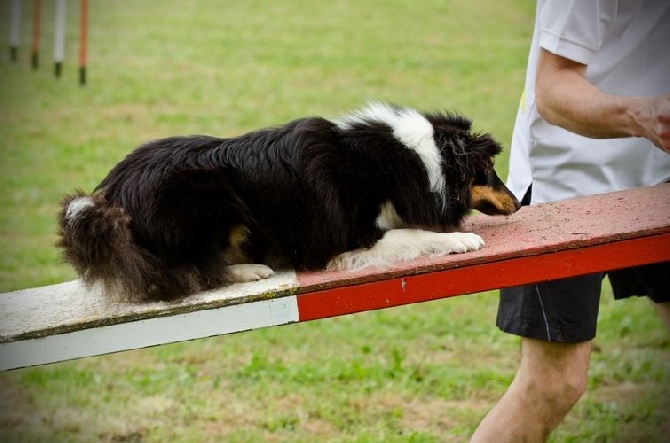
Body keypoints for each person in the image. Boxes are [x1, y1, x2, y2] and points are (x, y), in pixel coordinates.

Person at [471, 1, 670, 441]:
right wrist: (645, 116)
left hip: (661, 179)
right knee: (553, 385)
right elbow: (553, 90)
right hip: (567, 184)